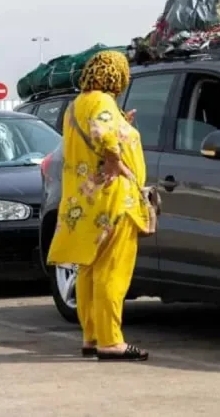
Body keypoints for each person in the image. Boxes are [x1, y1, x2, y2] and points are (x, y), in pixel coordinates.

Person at [47, 50, 151, 362]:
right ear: (115, 76)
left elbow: (97, 131)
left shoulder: (76, 105)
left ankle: (92, 337)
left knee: (90, 271)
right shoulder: (103, 102)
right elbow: (104, 136)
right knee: (113, 272)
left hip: (86, 202)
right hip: (113, 200)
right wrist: (114, 157)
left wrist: (121, 124)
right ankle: (112, 341)